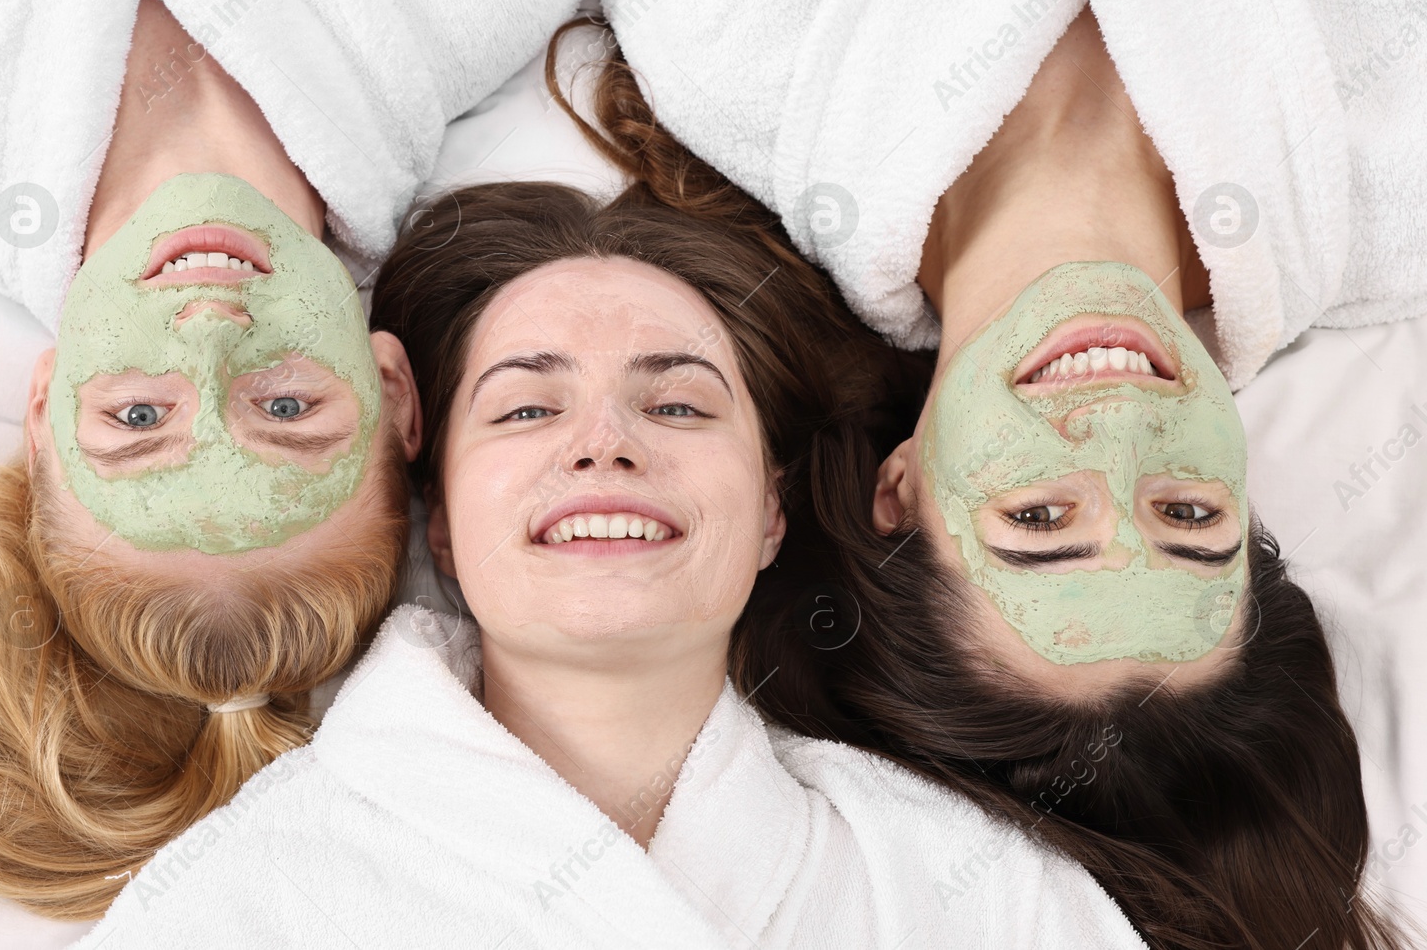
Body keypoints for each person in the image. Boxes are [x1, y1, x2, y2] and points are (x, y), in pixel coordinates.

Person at [558, 0, 1417, 941]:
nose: (1114, 432)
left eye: (1041, 512)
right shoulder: (1396, 173)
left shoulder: (727, 39)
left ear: (901, 485)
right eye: (1187, 511)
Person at [67, 178, 1146, 948]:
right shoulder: (237, 906)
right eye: (528, 406)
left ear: (770, 511)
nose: (604, 442)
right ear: (438, 523)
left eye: (676, 402)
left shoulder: (976, 892)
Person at [0, 0, 615, 918]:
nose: (211, 332)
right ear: (393, 390)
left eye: (136, 420)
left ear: (42, 413)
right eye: (289, 408)